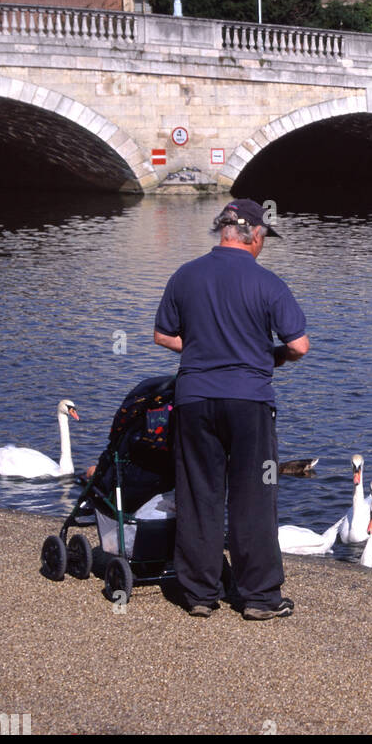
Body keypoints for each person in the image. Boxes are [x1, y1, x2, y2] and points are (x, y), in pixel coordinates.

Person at [153, 199, 310, 620]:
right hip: (248, 401)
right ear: (254, 235)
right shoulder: (267, 282)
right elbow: (299, 346)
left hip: (195, 399)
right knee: (253, 496)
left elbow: (163, 336)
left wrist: (207, 348)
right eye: (264, 240)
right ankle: (258, 597)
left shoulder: (185, 275)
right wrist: (267, 355)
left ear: (222, 232)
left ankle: (199, 594)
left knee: (198, 492)